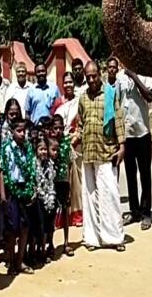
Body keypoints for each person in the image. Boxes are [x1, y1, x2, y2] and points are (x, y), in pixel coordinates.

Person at [77, 61, 126, 252]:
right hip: (88, 152)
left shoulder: (110, 95)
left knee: (110, 194)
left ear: (100, 74)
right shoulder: (83, 98)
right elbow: (80, 124)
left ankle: (114, 237)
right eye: (88, 77)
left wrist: (122, 146)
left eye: (94, 76)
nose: (91, 80)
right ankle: (92, 238)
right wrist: (73, 139)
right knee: (89, 196)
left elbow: (119, 121)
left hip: (107, 150)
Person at [118, 61, 152, 231]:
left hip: (143, 132)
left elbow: (149, 96)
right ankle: (134, 211)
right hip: (127, 134)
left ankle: (146, 212)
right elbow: (117, 102)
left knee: (145, 174)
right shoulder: (120, 77)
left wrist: (134, 76)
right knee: (130, 174)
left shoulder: (148, 74)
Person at [0, 118, 35, 276]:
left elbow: (31, 169)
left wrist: (33, 188)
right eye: (19, 131)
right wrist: (2, 193)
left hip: (25, 188)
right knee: (12, 228)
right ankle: (11, 262)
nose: (22, 134)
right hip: (11, 189)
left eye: (24, 131)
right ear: (12, 132)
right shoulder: (7, 148)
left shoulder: (28, 148)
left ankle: (20, 260)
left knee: (25, 226)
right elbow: (2, 170)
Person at [51, 71, 83, 227]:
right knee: (61, 181)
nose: (68, 85)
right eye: (66, 82)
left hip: (76, 146)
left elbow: (80, 123)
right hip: (60, 145)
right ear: (62, 85)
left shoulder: (79, 101)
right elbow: (55, 124)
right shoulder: (58, 103)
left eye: (71, 82)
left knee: (76, 182)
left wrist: (75, 138)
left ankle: (76, 215)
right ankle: (61, 217)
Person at [51, 114, 74, 256]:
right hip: (52, 183)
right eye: (55, 128)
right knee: (52, 213)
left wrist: (71, 184)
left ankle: (66, 243)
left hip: (64, 181)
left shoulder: (66, 144)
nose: (58, 131)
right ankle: (50, 244)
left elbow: (70, 165)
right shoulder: (50, 143)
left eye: (60, 128)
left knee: (65, 211)